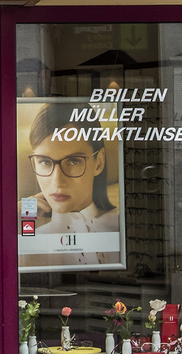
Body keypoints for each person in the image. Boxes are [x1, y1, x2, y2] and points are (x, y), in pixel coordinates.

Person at [22, 103, 119, 265]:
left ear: (99, 162)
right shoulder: (27, 237)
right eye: (45, 162)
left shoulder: (123, 224)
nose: (58, 182)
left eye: (74, 161)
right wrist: (18, 227)